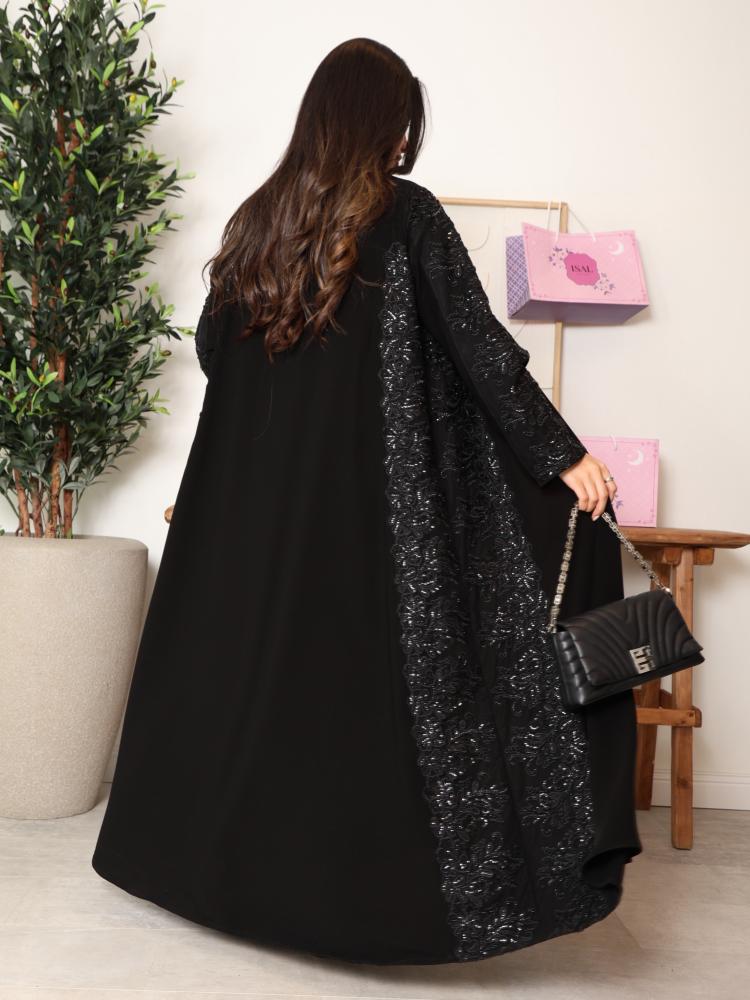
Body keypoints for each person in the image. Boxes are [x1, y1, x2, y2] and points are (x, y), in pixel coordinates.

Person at [91, 36, 642, 966]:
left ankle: (220, 879)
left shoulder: (259, 221)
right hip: (367, 523)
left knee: (264, 688)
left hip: (259, 521)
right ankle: (358, 904)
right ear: (386, 125)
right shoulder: (406, 214)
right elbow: (479, 349)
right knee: (365, 699)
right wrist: (563, 458)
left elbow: (216, 352)